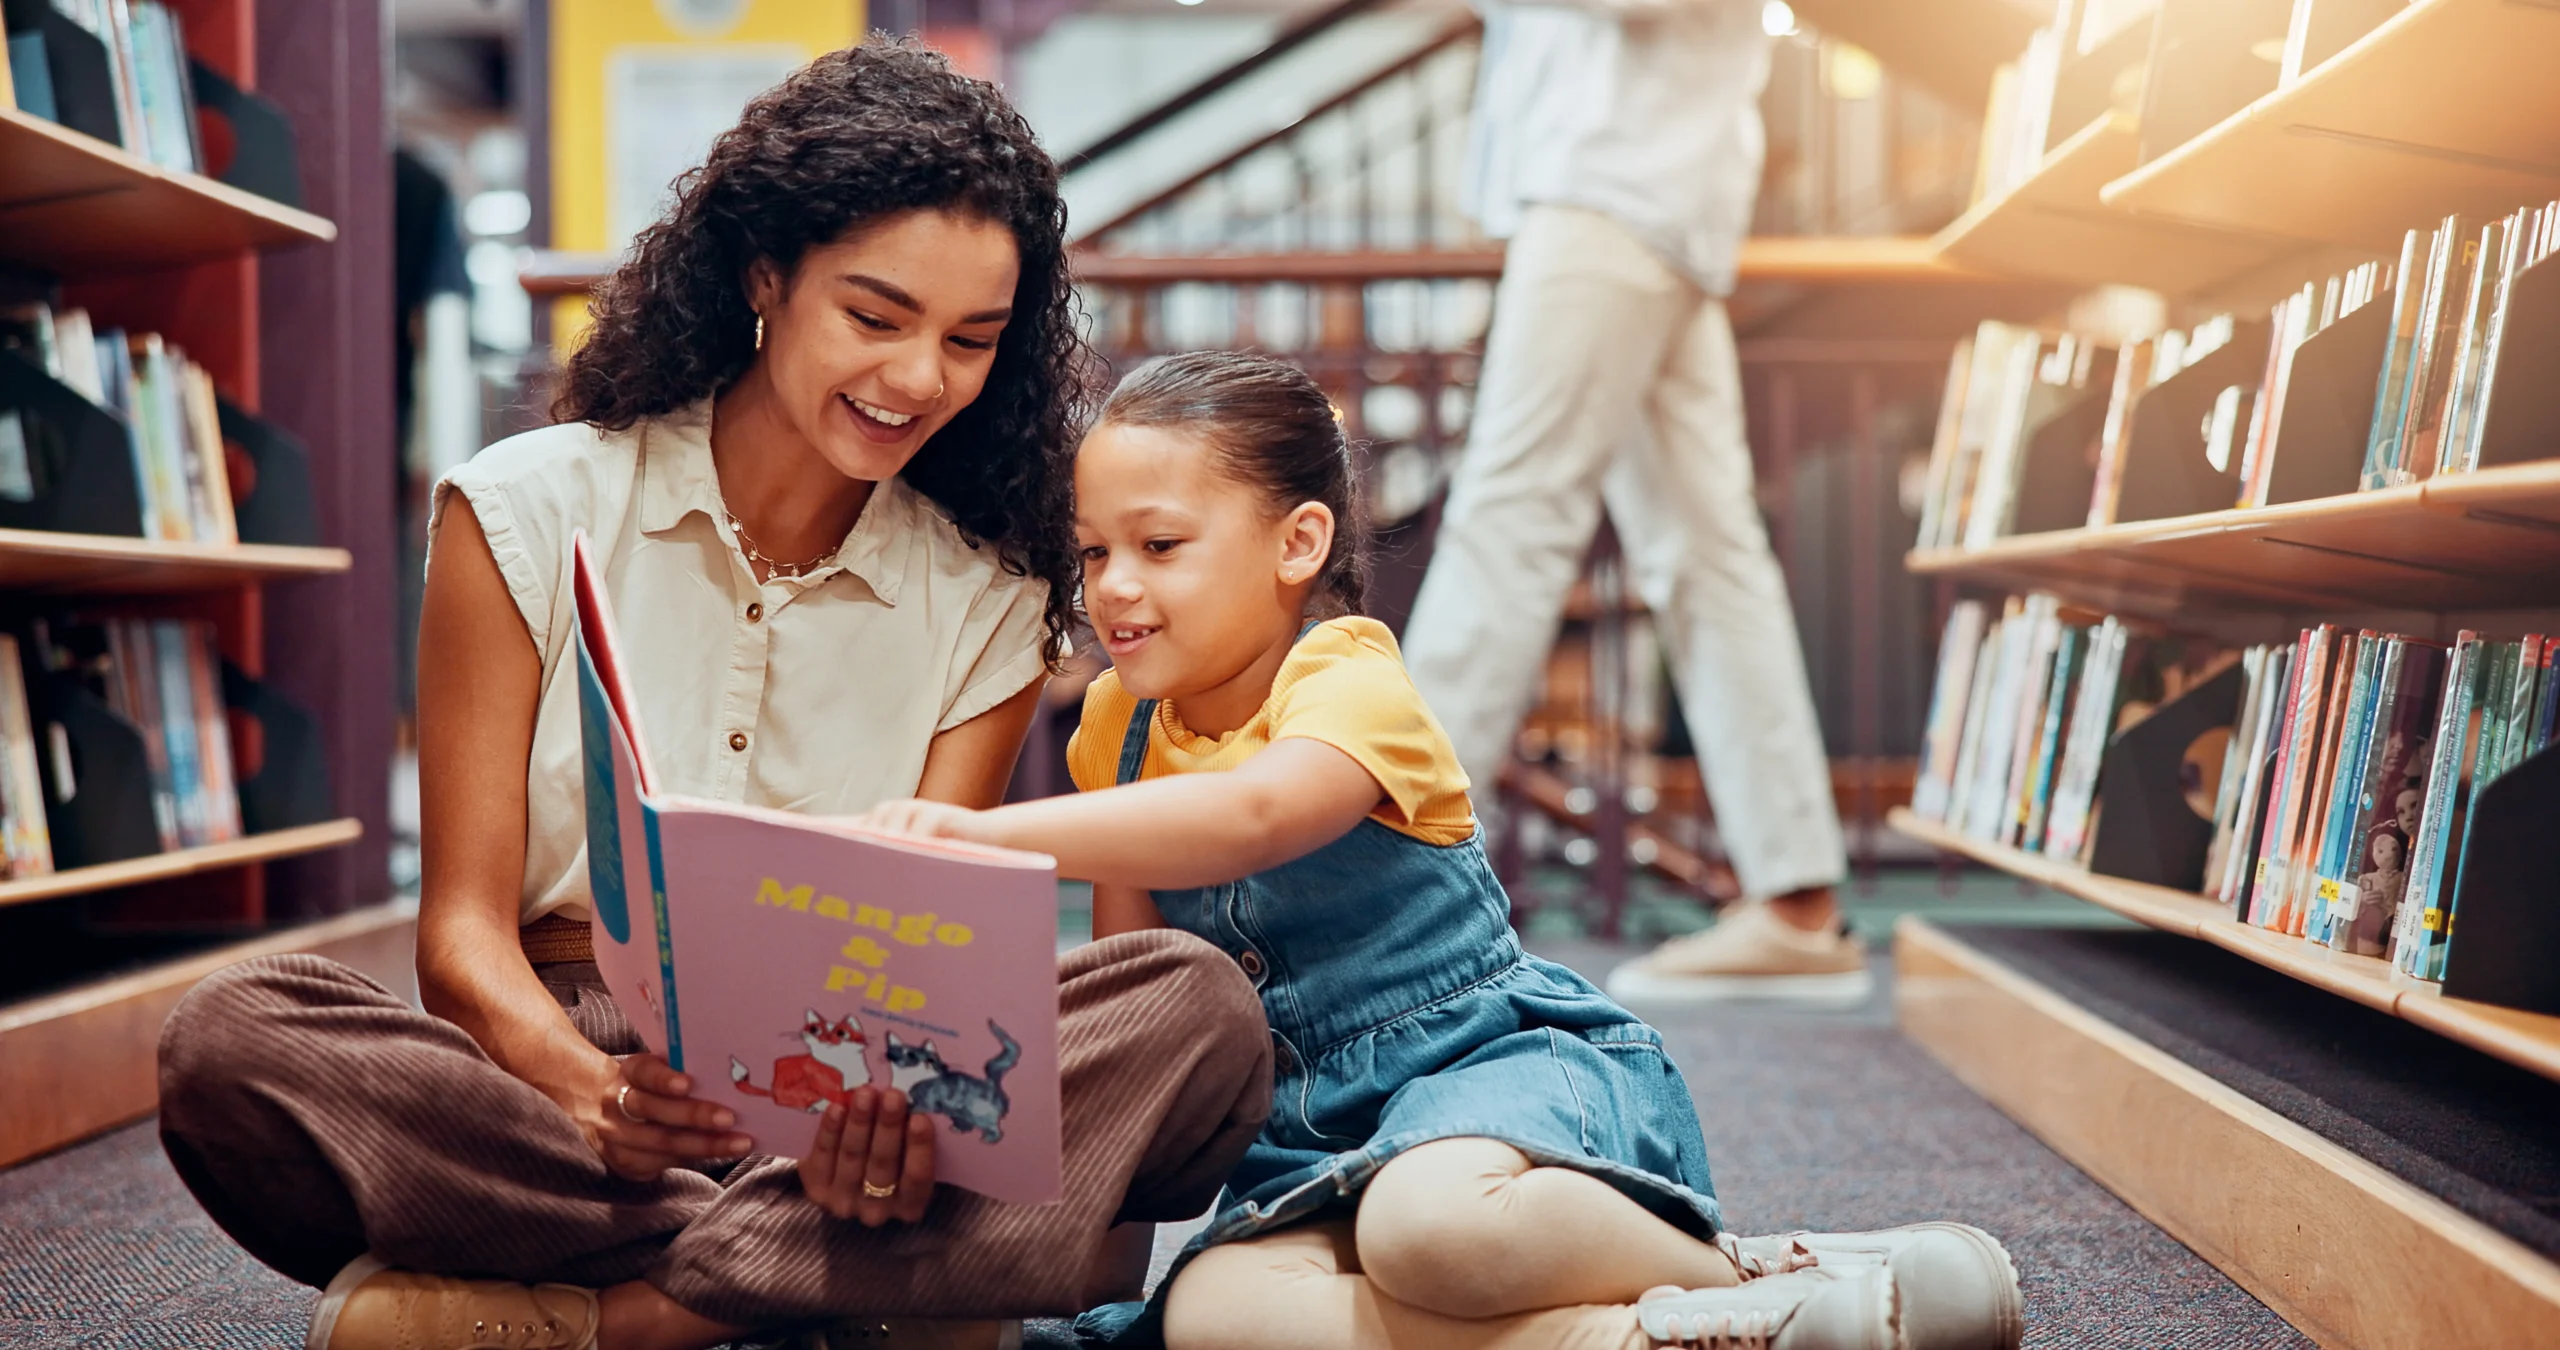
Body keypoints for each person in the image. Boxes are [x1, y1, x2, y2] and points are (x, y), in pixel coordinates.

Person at [153, 45, 1273, 1350]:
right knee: (230, 1041)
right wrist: (592, 1093)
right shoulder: (525, 507)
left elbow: (935, 976)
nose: (920, 378)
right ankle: (846, 1282)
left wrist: (886, 1138)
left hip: (848, 1101)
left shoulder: (989, 599)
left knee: (1192, 1005)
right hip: (557, 1079)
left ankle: (632, 1317)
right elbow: (459, 939)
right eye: (876, 315)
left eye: (971, 341)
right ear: (765, 278)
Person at [854, 352, 2023, 1350]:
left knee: (1434, 1229)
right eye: (1092, 551)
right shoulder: (1115, 731)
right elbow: (1138, 1033)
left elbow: (1260, 814)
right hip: (1302, 1144)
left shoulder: (1349, 674)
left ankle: (1752, 1276)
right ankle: (1688, 1332)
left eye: (1158, 545)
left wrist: (983, 834)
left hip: (1480, 1075)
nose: (1113, 588)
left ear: (1298, 541)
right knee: (1213, 1314)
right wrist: (1089, 1286)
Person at [1396, 0, 1864, 1001]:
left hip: (1613, 186)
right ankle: (1794, 901)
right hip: (1634, 186)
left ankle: (1388, 874)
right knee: (1704, 549)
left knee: (1508, 521)